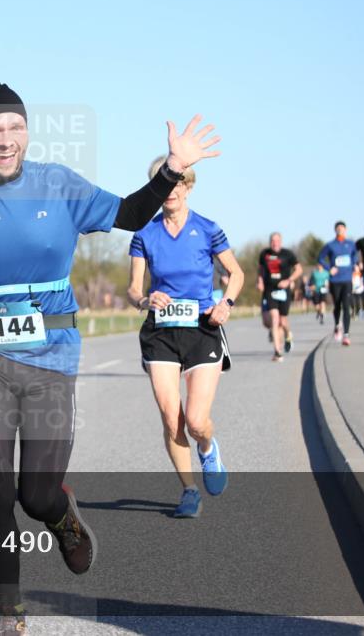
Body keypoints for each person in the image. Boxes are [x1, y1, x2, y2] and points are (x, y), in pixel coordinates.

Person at [0, 80, 221, 635]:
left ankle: (62, 516)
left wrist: (171, 169)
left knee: (36, 494)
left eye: (15, 126)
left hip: (51, 359)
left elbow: (130, 212)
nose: (5, 138)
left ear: (27, 132)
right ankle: (9, 612)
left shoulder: (59, 184)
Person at [128, 161, 243, 517]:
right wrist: (145, 300)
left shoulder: (207, 229)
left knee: (195, 421)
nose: (171, 191)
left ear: (188, 187)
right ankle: (189, 490)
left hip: (202, 330)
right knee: (170, 418)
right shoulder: (144, 234)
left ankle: (207, 448)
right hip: (161, 332)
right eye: (165, 185)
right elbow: (133, 290)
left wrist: (226, 304)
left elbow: (236, 273)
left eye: (178, 184)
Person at [256, 232, 301, 361]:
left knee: (283, 321)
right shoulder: (264, 254)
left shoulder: (288, 254)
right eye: (272, 240)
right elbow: (260, 270)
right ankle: (277, 351)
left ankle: (288, 334)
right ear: (270, 242)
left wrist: (289, 280)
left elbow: (299, 270)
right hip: (270, 290)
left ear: (280, 242)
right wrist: (260, 281)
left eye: (277, 240)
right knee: (274, 319)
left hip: (284, 291)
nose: (275, 243)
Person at [318, 221, 357, 345]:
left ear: (345, 230)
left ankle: (346, 335)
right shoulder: (330, 245)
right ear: (335, 230)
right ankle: (337, 325)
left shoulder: (351, 244)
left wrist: (354, 265)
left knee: (346, 306)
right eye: (338, 228)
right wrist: (329, 268)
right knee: (337, 305)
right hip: (335, 280)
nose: (340, 230)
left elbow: (354, 256)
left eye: (342, 228)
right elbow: (320, 258)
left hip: (347, 279)